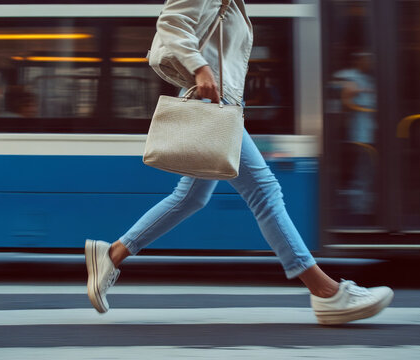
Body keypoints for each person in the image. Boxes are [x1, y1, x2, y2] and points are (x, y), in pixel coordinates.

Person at [85, 0, 393, 325]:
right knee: (265, 193)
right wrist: (200, 68)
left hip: (223, 99)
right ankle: (327, 292)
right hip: (212, 97)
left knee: (192, 197)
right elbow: (171, 24)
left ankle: (112, 255)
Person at [334, 52, 377, 216]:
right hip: (357, 134)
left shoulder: (369, 79)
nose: (370, 62)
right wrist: (349, 90)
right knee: (360, 170)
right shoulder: (348, 75)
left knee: (366, 171)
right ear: (358, 60)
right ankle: (357, 208)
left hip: (371, 133)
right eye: (367, 59)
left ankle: (364, 206)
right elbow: (334, 84)